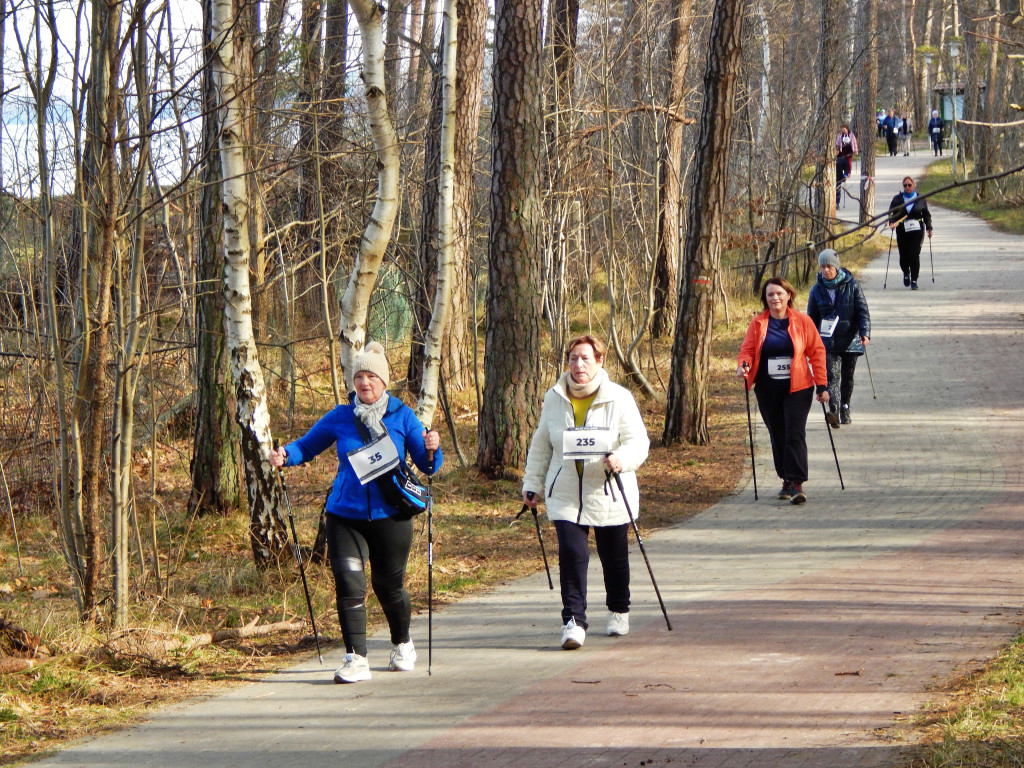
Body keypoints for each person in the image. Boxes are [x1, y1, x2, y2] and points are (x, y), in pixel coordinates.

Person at [268, 342, 442, 684]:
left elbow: (426, 464)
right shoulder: (340, 416)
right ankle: (356, 658)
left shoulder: (403, 416)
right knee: (349, 584)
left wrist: (434, 448)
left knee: (388, 586)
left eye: (371, 376)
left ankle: (402, 643)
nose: (364, 382)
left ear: (383, 381)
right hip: (344, 514)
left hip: (391, 514)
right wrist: (285, 455)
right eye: (359, 376)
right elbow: (306, 445)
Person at [522, 334, 649, 650]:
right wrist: (532, 484)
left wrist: (622, 458)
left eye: (586, 359)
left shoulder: (619, 397)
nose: (579, 365)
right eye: (574, 358)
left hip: (608, 491)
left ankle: (619, 609)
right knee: (572, 555)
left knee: (614, 558)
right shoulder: (553, 398)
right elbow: (542, 444)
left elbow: (638, 442)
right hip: (565, 493)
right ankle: (574, 622)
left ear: (599, 361)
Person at [736, 278, 829, 505]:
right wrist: (743, 365)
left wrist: (822, 385)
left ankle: (797, 482)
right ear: (765, 299)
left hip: (798, 387)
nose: (775, 298)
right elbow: (747, 350)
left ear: (789, 295)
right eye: (770, 295)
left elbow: (817, 352)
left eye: (779, 293)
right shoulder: (758, 323)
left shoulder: (803, 321)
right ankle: (785, 479)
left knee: (794, 433)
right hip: (768, 389)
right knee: (777, 434)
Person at [806, 250, 871, 428]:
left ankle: (845, 407)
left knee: (847, 376)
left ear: (836, 267)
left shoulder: (852, 285)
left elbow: (862, 311)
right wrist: (809, 339)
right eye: (823, 266)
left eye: (829, 266)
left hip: (850, 338)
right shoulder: (816, 289)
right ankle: (833, 409)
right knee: (832, 375)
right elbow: (811, 318)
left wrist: (865, 332)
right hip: (828, 341)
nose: (826, 270)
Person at [888, 176, 933, 290]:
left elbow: (926, 215)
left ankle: (914, 279)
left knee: (914, 254)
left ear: (914, 185)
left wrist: (929, 227)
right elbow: (891, 213)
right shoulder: (897, 199)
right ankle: (906, 273)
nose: (907, 187)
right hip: (902, 229)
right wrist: (892, 222)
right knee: (903, 254)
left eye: (909, 185)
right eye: (905, 185)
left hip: (917, 230)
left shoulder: (920, 199)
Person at [834, 124, 858, 205]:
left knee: (848, 162)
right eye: (842, 129)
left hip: (849, 150)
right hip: (842, 151)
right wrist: (837, 149)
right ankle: (835, 203)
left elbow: (854, 142)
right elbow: (837, 143)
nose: (843, 130)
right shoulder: (840, 135)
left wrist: (855, 150)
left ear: (847, 129)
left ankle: (848, 173)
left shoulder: (851, 134)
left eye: (844, 129)